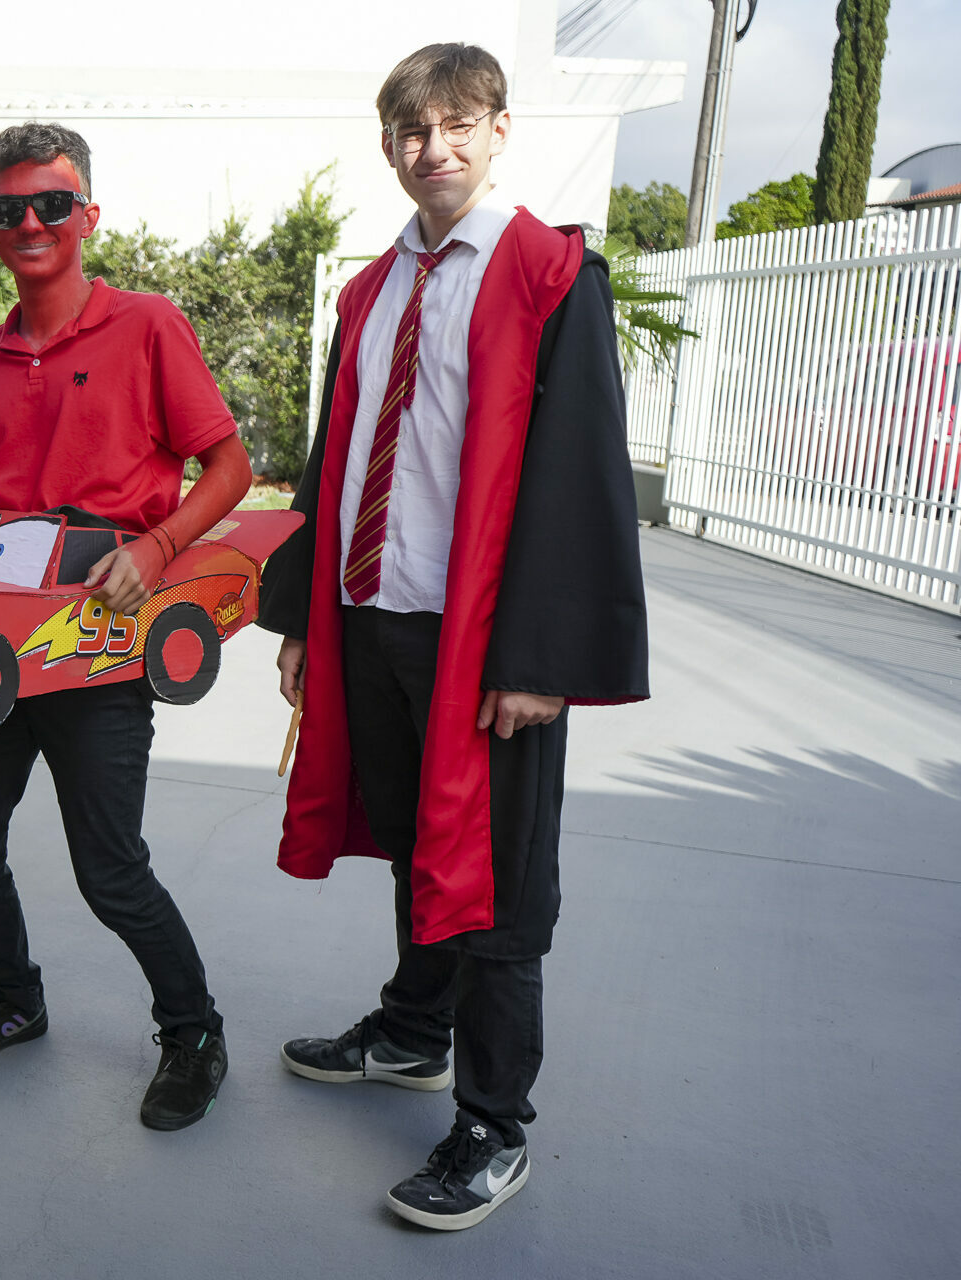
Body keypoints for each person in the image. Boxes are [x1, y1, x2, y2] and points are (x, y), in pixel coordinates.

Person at [259, 43, 649, 1230]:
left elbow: (581, 471)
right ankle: (413, 1030)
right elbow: (335, 457)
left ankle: (493, 1123)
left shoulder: (548, 274)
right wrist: (305, 616)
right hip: (374, 613)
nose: (436, 148)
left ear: (499, 130)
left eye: (459, 124)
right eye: (413, 130)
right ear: (389, 146)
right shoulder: (371, 291)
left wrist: (540, 657)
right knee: (415, 840)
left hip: (483, 637)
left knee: (500, 880)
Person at [0, 122, 255, 1131]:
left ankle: (193, 1031)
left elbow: (230, 468)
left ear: (87, 216)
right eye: (9, 208)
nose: (31, 222)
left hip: (103, 641)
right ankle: (13, 996)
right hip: (1, 641)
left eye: (52, 204)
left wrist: (157, 546)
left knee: (110, 868)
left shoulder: (148, 325)